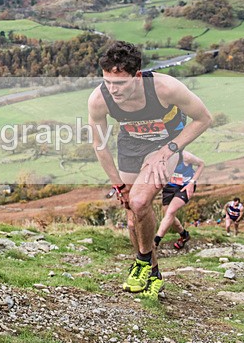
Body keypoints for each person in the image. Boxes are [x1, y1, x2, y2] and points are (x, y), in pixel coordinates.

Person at [88, 41, 211, 301]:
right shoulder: (100, 99)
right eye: (108, 82)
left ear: (138, 75)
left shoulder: (166, 88)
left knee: (141, 200)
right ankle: (154, 274)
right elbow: (99, 144)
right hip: (132, 144)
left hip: (166, 142)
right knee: (133, 214)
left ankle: (142, 261)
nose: (113, 89)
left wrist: (169, 150)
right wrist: (117, 185)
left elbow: (204, 119)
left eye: (120, 83)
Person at [155, 150, 204, 250]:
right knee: (169, 216)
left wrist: (192, 182)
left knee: (171, 211)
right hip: (169, 186)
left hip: (185, 187)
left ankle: (155, 242)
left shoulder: (185, 156)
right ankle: (184, 235)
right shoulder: (160, 156)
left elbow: (202, 164)